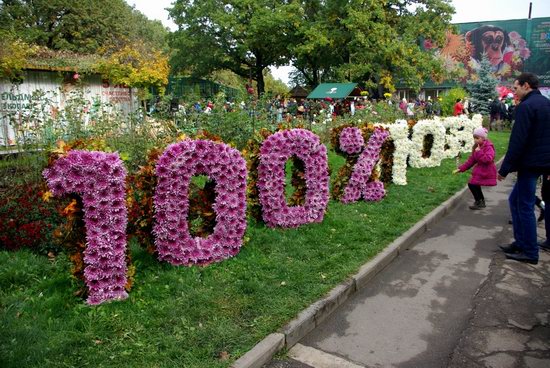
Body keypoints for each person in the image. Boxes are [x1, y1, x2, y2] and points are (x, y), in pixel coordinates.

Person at [498, 72, 550, 265]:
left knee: (525, 206)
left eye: (516, 87)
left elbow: (518, 141)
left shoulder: (526, 107)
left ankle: (529, 251)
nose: (514, 91)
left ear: (526, 85)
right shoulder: (545, 103)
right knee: (515, 200)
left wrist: (504, 169)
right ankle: (520, 242)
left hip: (530, 163)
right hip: (541, 162)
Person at [453, 127, 497, 210]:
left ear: (483, 138)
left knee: (473, 184)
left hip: (486, 170)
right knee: (472, 184)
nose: (475, 140)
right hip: (480, 170)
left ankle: (480, 201)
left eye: (477, 138)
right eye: (474, 138)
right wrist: (461, 168)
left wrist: (479, 152)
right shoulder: (477, 147)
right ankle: (480, 201)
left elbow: (488, 159)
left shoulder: (488, 147)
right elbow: (471, 160)